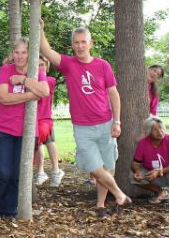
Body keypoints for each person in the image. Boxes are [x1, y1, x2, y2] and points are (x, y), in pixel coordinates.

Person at [40, 21, 131, 218]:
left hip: (106, 124)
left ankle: (100, 205)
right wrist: (41, 30)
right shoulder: (69, 64)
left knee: (106, 167)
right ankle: (120, 196)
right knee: (95, 168)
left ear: (91, 44)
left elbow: (113, 94)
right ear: (72, 45)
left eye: (83, 42)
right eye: (76, 42)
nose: (80, 46)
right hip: (82, 128)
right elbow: (46, 51)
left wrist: (117, 121)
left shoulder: (103, 65)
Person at [0, 38, 49, 220]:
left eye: (24, 52)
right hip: (5, 128)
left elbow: (45, 91)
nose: (20, 56)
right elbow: (3, 97)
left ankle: (10, 210)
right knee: (3, 172)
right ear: (12, 53)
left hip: (27, 131)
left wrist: (23, 79)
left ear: (29, 54)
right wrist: (32, 94)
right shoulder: (6, 70)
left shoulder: (35, 72)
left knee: (17, 174)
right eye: (16, 52)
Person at [130, 116, 169, 209]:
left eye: (161, 128)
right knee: (132, 176)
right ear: (149, 132)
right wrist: (137, 172)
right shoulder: (143, 143)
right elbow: (135, 164)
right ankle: (160, 192)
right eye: (155, 129)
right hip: (154, 174)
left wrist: (159, 171)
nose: (160, 131)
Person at [35, 56, 65, 187]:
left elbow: (40, 90)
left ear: (47, 67)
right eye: (37, 65)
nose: (39, 68)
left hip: (45, 119)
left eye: (42, 65)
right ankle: (41, 172)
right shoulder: (33, 81)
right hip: (34, 120)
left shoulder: (50, 80)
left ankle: (56, 170)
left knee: (49, 143)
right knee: (39, 145)